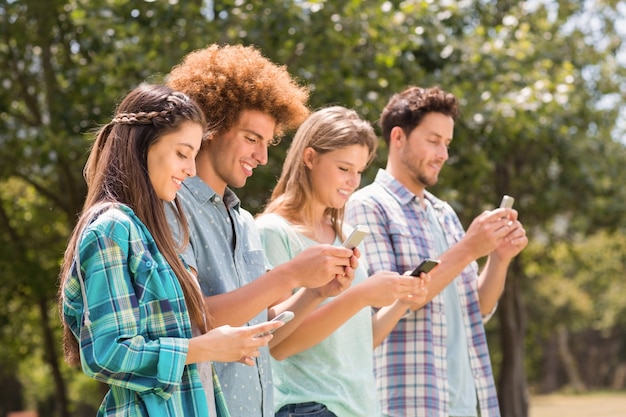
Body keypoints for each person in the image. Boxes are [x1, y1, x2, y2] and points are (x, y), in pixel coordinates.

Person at [58, 84, 283, 417]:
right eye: (182, 153)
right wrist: (203, 348)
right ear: (142, 146)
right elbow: (106, 354)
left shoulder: (151, 230)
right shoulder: (112, 228)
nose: (191, 169)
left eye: (193, 155)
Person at [165, 44, 356, 417]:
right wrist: (291, 273)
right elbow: (192, 319)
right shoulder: (171, 209)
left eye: (268, 144)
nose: (263, 157)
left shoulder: (244, 222)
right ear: (210, 128)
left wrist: (314, 293)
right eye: (252, 139)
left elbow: (261, 329)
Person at [345, 86, 529, 417]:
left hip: (465, 404)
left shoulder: (444, 213)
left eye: (447, 143)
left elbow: (478, 308)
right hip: (407, 406)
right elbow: (387, 302)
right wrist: (469, 248)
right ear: (398, 137)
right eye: (433, 141)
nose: (443, 154)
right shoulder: (368, 205)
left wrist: (498, 258)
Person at [255, 106, 430, 417]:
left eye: (359, 171)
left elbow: (359, 342)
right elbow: (278, 344)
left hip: (358, 408)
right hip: (309, 407)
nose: (353, 182)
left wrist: (402, 299)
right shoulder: (273, 231)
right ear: (309, 158)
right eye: (344, 168)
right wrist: (361, 295)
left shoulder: (345, 233)